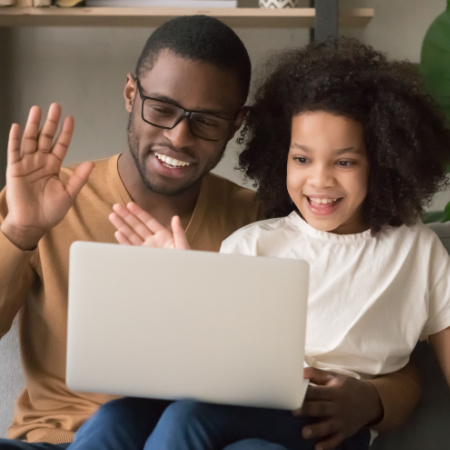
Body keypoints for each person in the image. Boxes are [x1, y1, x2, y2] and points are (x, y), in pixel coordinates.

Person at [0, 15, 419, 449]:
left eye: (207, 122)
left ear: (237, 123)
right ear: (130, 94)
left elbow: (377, 347)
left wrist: (371, 401)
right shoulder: (46, 200)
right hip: (56, 438)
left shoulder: (259, 226)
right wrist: (18, 233)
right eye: (161, 110)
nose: (178, 137)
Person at [96, 37, 450, 450]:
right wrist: (184, 286)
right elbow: (214, 356)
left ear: (385, 160)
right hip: (250, 407)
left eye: (345, 161)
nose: (319, 180)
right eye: (302, 159)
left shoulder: (417, 251)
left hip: (330, 422)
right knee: (115, 418)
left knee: (190, 419)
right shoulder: (253, 244)